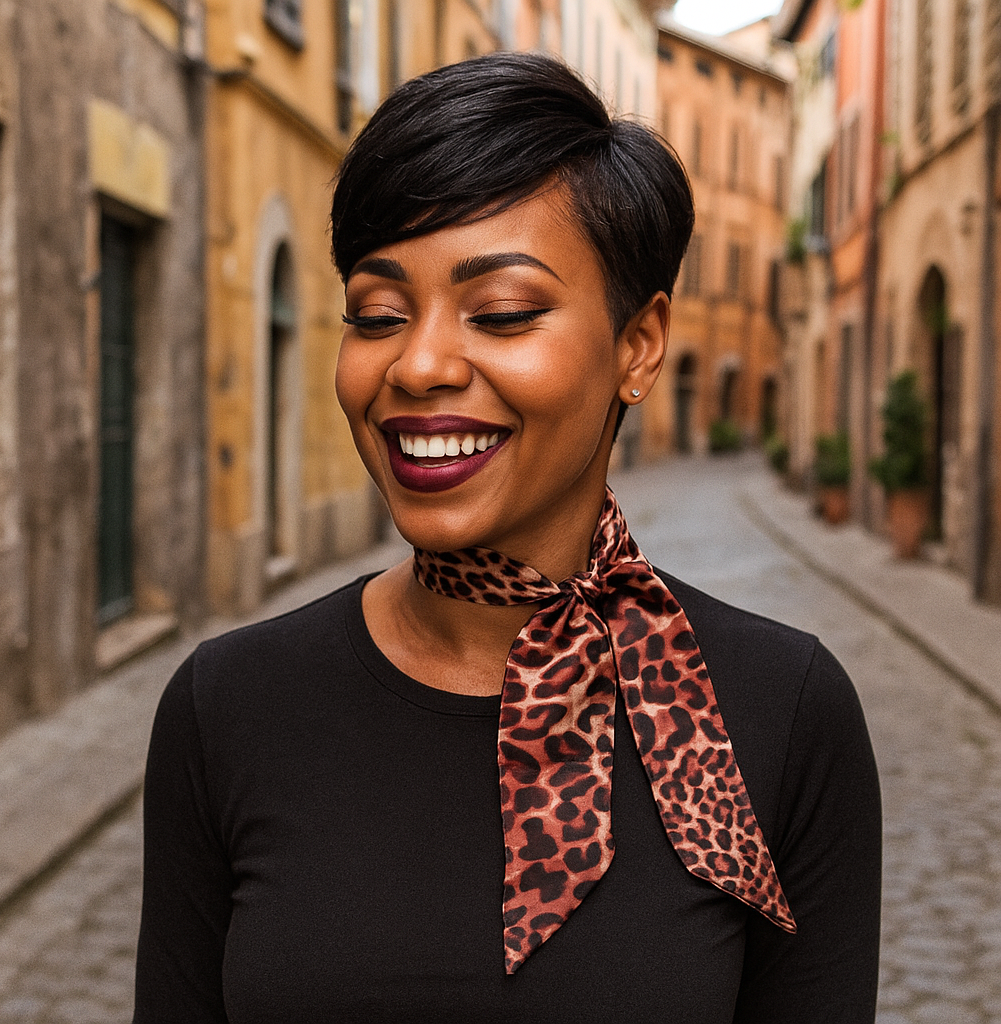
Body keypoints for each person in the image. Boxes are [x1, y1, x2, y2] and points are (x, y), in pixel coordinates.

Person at [133, 52, 881, 1022]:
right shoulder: (225, 705)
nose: (419, 363)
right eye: (377, 313)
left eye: (501, 312)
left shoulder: (784, 717)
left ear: (638, 344)